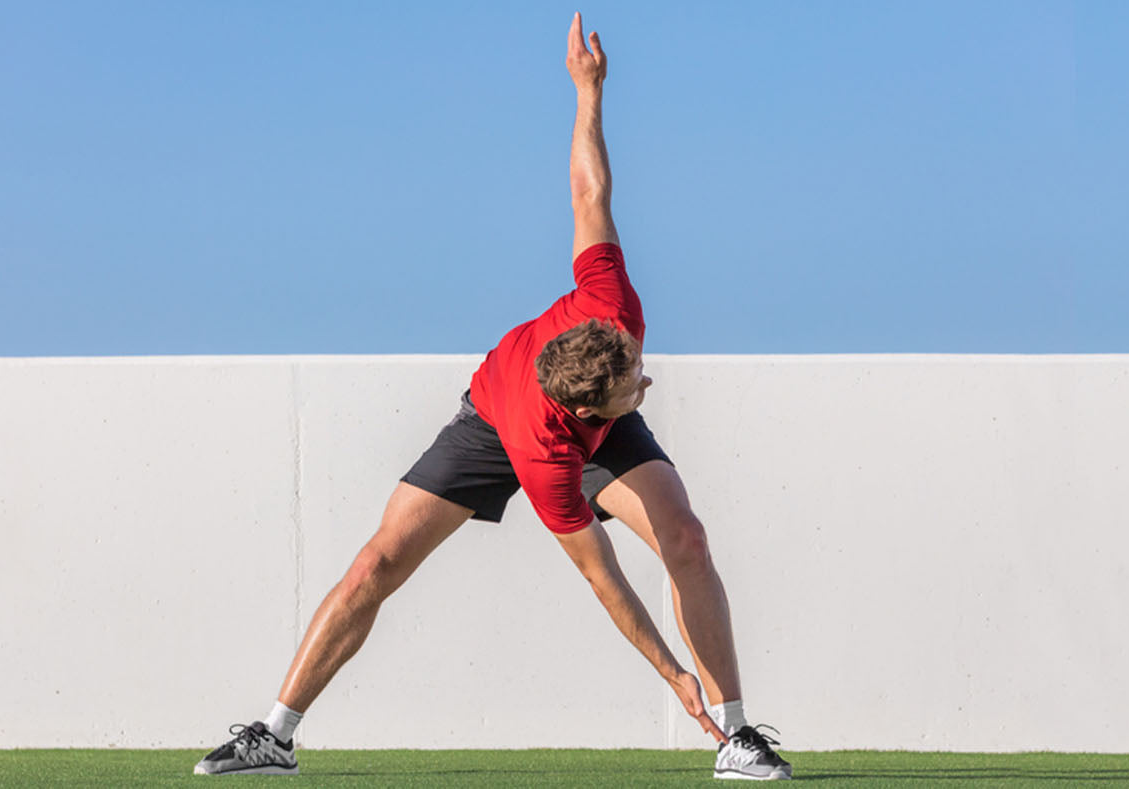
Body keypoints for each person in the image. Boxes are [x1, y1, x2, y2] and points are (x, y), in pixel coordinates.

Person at [194, 14, 792, 781]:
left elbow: (589, 188)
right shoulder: (546, 456)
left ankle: (738, 737)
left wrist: (588, 90)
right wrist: (671, 674)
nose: (648, 381)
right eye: (634, 386)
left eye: (637, 367)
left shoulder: (611, 306)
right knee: (377, 562)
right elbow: (603, 578)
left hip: (572, 415)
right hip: (494, 422)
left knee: (687, 538)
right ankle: (273, 735)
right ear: (588, 413)